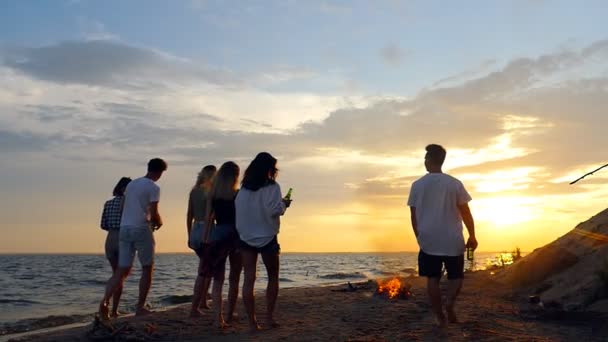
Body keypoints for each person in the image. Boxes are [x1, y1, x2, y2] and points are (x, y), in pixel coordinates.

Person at [407, 144, 477, 329]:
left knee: (432, 279)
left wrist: (419, 237)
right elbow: (465, 212)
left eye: (426, 158)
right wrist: (472, 235)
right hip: (452, 238)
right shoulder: (454, 183)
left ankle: (440, 317)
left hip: (429, 239)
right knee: (456, 276)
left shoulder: (417, 185)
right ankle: (449, 304)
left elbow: (414, 217)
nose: (424, 161)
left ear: (429, 160)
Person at [98, 158, 168, 320]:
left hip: (124, 229)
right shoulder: (154, 187)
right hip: (141, 228)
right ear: (159, 172)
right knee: (147, 268)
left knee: (121, 270)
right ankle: (140, 307)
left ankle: (104, 302)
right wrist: (159, 222)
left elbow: (123, 207)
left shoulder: (131, 185)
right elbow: (154, 212)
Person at [235, 152, 291, 331]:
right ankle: (269, 318)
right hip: (267, 236)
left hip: (245, 237)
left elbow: (240, 211)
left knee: (248, 279)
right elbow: (275, 210)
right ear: (270, 169)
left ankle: (252, 323)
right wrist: (284, 204)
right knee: (273, 276)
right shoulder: (272, 187)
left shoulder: (243, 189)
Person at [202, 161, 242, 328]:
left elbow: (208, 219)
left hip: (218, 234)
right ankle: (229, 313)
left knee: (218, 279)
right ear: (235, 176)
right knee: (234, 277)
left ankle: (218, 319)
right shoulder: (238, 194)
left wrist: (206, 239)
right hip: (236, 234)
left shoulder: (213, 194)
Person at [99, 177, 132, 318]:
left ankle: (111, 308)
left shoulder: (108, 203)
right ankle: (109, 306)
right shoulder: (130, 204)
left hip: (110, 239)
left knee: (116, 274)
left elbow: (103, 224)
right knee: (121, 276)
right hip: (123, 238)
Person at [187, 165, 216, 317]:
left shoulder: (193, 191)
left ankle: (202, 301)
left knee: (204, 266)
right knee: (206, 269)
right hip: (207, 230)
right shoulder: (211, 191)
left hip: (195, 229)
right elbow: (210, 216)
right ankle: (199, 304)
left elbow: (189, 214)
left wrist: (189, 235)